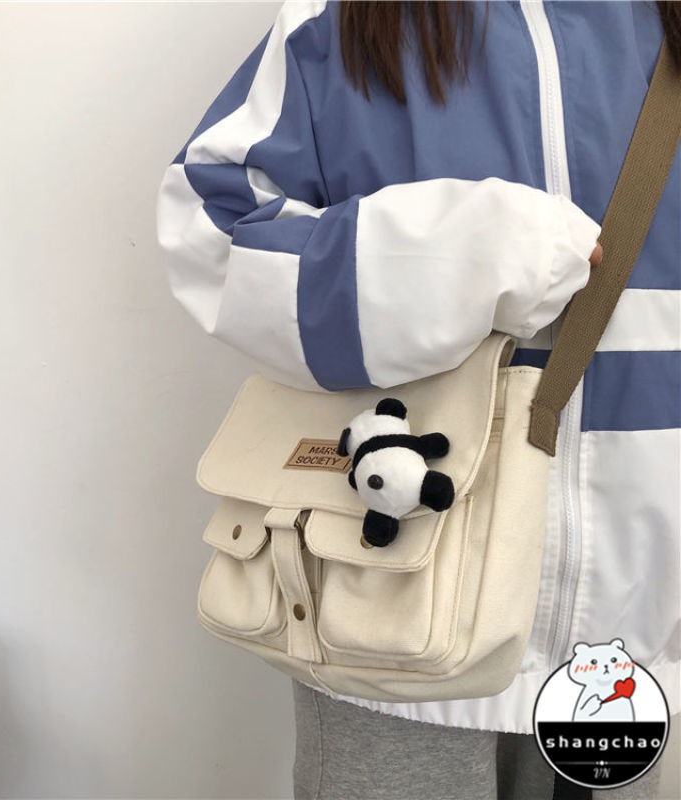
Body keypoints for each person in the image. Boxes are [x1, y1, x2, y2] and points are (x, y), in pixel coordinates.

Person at [156, 1, 680, 798]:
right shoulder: (339, 20)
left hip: (634, 616)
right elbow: (210, 229)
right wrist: (461, 254)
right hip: (395, 599)